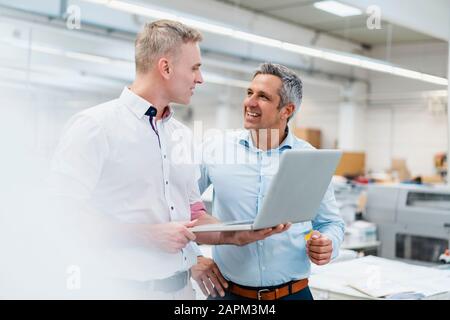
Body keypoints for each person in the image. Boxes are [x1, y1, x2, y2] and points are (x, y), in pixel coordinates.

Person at [47, 21, 289, 299]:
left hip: (182, 290)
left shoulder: (182, 136)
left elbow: (194, 214)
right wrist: (146, 235)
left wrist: (236, 235)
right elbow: (60, 216)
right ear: (166, 68)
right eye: (195, 68)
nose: (200, 79)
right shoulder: (95, 126)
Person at [192, 62, 345, 300]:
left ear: (287, 110)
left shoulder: (309, 158)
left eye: (263, 97)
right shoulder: (215, 149)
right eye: (249, 93)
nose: (250, 103)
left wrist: (329, 244)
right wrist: (193, 258)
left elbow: (331, 222)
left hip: (293, 294)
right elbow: (177, 204)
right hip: (229, 295)